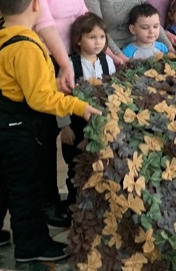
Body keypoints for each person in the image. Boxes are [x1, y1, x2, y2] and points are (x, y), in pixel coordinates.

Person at [0, 0, 99, 264]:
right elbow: (39, 99)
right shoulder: (25, 46)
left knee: (6, 176)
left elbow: (23, 82)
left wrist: (53, 84)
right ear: (36, 5)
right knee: (26, 185)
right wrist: (79, 106)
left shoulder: (2, 34)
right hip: (16, 124)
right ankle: (31, 244)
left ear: (0, 8)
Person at [8, 0, 88, 226]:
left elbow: (82, 13)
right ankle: (46, 202)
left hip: (73, 54)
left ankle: (69, 194)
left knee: (73, 130)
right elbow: (45, 23)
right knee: (44, 133)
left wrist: (104, 48)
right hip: (41, 59)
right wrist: (64, 64)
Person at [58, 13, 114, 210]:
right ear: (78, 40)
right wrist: (64, 126)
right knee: (75, 166)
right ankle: (75, 205)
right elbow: (61, 98)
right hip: (76, 124)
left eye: (101, 37)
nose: (98, 42)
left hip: (100, 123)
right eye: (92, 37)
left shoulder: (107, 62)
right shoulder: (69, 65)